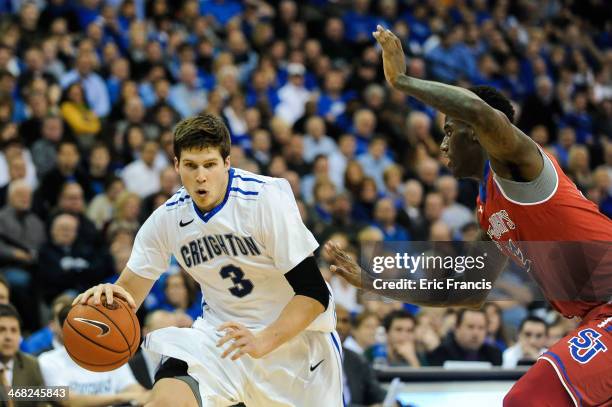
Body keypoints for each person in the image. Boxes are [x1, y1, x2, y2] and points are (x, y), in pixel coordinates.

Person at [326, 26, 612, 407]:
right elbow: (461, 289)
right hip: (595, 315)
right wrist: (372, 279)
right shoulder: (487, 208)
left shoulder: (522, 167)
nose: (442, 143)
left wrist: (402, 80)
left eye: (449, 130)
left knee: (528, 400)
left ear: (477, 134)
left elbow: (478, 111)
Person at [74, 113, 342, 406]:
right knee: (164, 401)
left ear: (227, 163)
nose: (200, 176)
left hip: (297, 347)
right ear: (177, 166)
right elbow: (128, 295)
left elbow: (314, 293)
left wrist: (262, 340)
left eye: (210, 165)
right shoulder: (167, 219)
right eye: (190, 165)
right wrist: (109, 301)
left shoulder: (263, 199)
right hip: (223, 341)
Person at [38, 305, 149, 406]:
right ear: (66, 331)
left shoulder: (113, 354)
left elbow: (131, 387)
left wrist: (144, 395)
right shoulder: (48, 360)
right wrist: (120, 397)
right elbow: (70, 401)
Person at [0, 303, 46, 406]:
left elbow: (41, 404)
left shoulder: (31, 365)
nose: (8, 337)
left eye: (14, 330)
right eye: (1, 330)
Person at [427, 309, 502, 366]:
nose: (475, 333)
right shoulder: (440, 354)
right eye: (470, 327)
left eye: (481, 328)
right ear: (456, 328)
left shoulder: (494, 355)